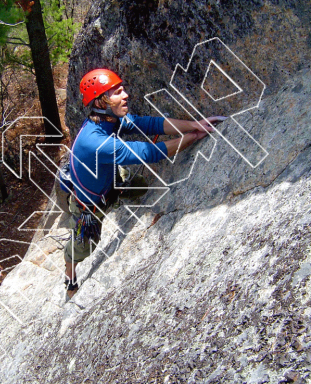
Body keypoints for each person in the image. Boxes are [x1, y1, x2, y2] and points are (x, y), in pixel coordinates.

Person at [64, 68, 219, 299]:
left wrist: (194, 124)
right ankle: (69, 277)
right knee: (84, 246)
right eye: (117, 92)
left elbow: (147, 124)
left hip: (109, 184)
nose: (125, 95)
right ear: (100, 101)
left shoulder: (108, 119)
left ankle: (116, 196)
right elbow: (148, 152)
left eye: (122, 89)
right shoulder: (95, 141)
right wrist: (193, 138)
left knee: (140, 186)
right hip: (89, 205)